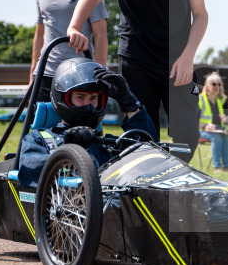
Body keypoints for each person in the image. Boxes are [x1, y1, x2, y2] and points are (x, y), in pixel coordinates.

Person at [66, 0, 209, 156]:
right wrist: (75, 26)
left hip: (178, 61)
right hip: (137, 60)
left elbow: (200, 15)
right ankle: (148, 189)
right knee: (143, 134)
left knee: (188, 132)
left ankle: (177, 182)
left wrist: (188, 57)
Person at [17, 57, 157, 188]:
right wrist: (71, 151)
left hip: (115, 207)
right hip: (68, 209)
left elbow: (152, 153)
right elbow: (29, 171)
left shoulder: (106, 144)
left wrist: (128, 101)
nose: (88, 104)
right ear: (63, 98)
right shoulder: (39, 139)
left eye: (93, 98)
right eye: (80, 97)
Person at [198, 72, 228, 172]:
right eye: (214, 84)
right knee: (216, 138)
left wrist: (226, 118)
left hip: (218, 129)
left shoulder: (222, 100)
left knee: (226, 136)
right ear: (207, 86)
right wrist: (204, 126)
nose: (217, 86)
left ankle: (227, 167)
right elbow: (192, 120)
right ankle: (217, 167)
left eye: (219, 84)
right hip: (201, 130)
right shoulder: (200, 99)